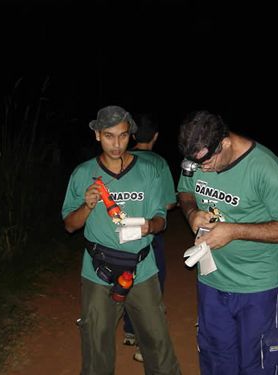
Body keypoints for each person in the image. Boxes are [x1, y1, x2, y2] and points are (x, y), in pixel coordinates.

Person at [176, 110, 278, 374]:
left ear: (224, 142)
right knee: (215, 359)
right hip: (210, 280)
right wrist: (192, 213)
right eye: (195, 163)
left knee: (258, 363)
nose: (202, 169)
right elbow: (185, 191)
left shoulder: (266, 169)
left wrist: (233, 231)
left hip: (256, 287)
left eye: (207, 162)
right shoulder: (198, 156)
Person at [61, 105, 181, 375]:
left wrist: (151, 226)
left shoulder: (148, 171)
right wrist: (88, 206)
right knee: (96, 346)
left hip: (143, 269)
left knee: (157, 342)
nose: (116, 144)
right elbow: (70, 225)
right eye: (109, 136)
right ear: (97, 135)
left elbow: (161, 218)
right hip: (98, 270)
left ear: (131, 135)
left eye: (123, 136)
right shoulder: (82, 174)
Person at [122, 113, 178, 362]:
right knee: (150, 284)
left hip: (120, 233)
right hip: (148, 232)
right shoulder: (158, 163)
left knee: (124, 277)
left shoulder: (120, 158)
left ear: (132, 135)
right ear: (155, 136)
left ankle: (130, 330)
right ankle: (144, 343)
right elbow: (167, 204)